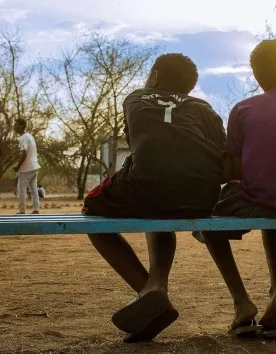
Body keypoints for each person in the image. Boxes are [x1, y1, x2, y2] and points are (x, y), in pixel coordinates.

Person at [82, 53, 225, 342]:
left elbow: (140, 145)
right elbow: (221, 150)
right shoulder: (203, 107)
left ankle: (151, 290)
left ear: (155, 77)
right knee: (160, 208)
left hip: (147, 186)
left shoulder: (136, 98)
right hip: (202, 194)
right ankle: (155, 288)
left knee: (92, 213)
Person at [197, 40, 276, 338]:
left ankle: (242, 302)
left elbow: (236, 171)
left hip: (263, 197)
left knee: (207, 220)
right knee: (272, 201)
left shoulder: (242, 109)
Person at [13, 119, 40, 215]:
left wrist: (17, 167)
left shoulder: (22, 138)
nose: (14, 126)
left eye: (16, 125)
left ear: (21, 126)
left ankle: (22, 211)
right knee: (33, 189)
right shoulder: (30, 136)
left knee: (22, 189)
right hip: (35, 166)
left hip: (26, 168)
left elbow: (24, 154)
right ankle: (36, 209)